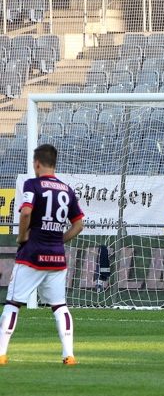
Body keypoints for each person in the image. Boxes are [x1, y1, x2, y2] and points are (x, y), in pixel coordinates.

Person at [0, 144, 84, 365]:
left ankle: (1, 353)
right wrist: (59, 240)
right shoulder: (67, 189)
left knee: (12, 303)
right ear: (54, 164)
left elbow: (26, 211)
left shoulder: (33, 184)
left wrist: (20, 238)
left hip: (32, 254)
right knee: (60, 306)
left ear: (36, 163)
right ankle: (69, 354)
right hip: (57, 257)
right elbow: (78, 225)